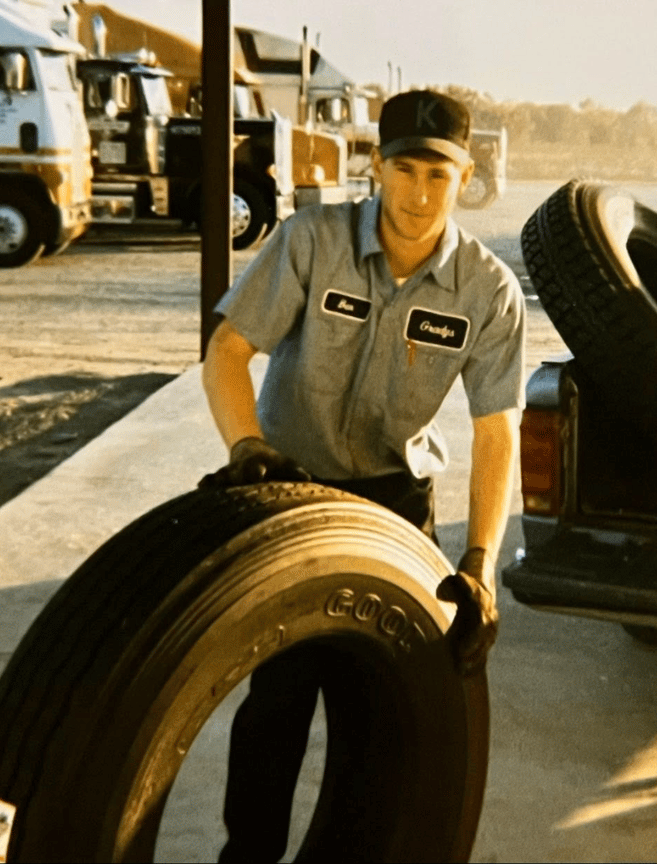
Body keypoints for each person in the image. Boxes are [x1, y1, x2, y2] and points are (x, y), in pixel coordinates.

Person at [200, 88, 526, 863]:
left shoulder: (486, 292)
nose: (418, 195)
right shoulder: (312, 242)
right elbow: (227, 353)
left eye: (438, 176)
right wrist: (245, 447)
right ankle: (246, 859)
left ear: (465, 176)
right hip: (288, 486)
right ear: (375, 165)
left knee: (374, 710)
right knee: (276, 701)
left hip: (390, 506)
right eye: (404, 169)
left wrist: (478, 562)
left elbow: (496, 429)